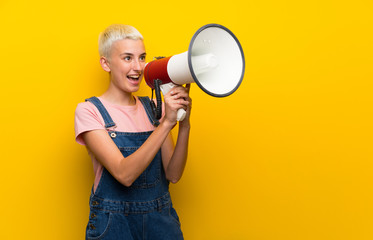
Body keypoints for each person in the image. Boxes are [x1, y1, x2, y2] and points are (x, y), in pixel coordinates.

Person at [74, 24, 191, 240]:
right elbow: (124, 174)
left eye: (142, 57)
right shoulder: (90, 111)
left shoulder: (154, 108)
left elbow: (173, 175)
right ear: (105, 63)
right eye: (127, 58)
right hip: (114, 223)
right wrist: (165, 124)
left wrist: (184, 124)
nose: (138, 67)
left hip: (160, 220)